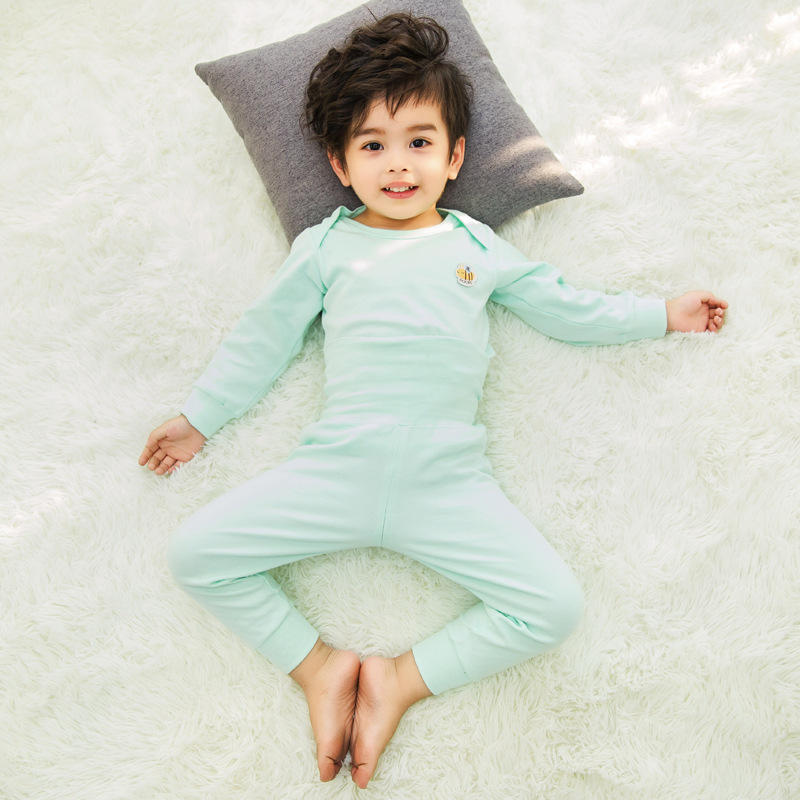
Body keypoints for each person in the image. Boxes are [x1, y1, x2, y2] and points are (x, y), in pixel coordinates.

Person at [138, 12, 727, 790]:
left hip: (447, 485)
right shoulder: (327, 246)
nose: (398, 164)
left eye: (419, 142)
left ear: (454, 157)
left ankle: (398, 680)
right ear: (339, 164)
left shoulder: (476, 245)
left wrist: (661, 315)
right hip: (334, 473)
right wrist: (199, 420)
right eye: (372, 146)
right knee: (195, 555)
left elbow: (565, 307)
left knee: (553, 608)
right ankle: (320, 668)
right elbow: (263, 339)